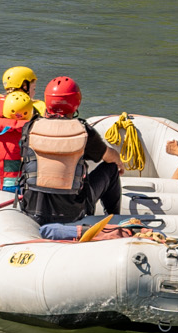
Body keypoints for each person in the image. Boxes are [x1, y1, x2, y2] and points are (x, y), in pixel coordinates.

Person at [22, 76, 121, 230]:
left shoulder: (30, 128)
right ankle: (114, 219)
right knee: (112, 168)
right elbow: (110, 157)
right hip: (74, 213)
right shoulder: (83, 132)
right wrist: (119, 161)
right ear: (76, 102)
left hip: (33, 211)